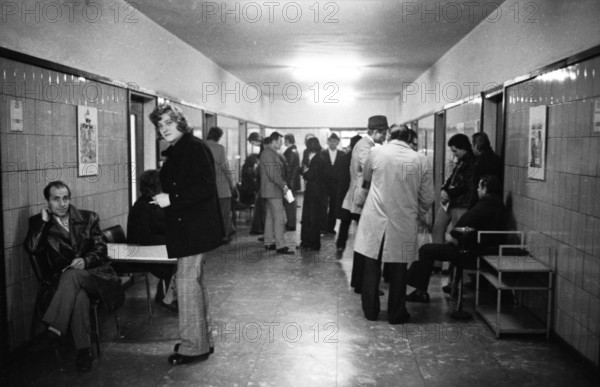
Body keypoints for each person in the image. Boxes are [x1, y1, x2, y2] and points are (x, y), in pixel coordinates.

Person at [150, 103, 225, 366]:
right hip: (190, 227)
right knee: (193, 284)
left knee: (187, 285)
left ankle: (194, 347)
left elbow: (205, 187)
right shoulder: (183, 148)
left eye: (169, 123)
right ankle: (203, 341)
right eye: (160, 125)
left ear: (181, 122)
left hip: (193, 228)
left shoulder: (193, 148)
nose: (164, 129)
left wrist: (171, 199)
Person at [24, 181, 124, 372]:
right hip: (66, 286)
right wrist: (43, 223)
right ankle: (84, 351)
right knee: (79, 297)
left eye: (66, 198)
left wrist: (86, 261)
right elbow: (31, 248)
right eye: (56, 199)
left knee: (73, 276)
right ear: (47, 201)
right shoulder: (40, 223)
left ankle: (54, 327)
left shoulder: (88, 218)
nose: (62, 204)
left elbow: (101, 248)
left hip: (96, 276)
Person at [354, 126, 434, 324]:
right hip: (404, 221)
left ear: (390, 136)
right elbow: (428, 197)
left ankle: (370, 311)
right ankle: (396, 313)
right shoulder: (420, 160)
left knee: (371, 265)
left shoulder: (376, 153)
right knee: (399, 269)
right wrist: (417, 214)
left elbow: (366, 180)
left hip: (375, 219)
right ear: (410, 139)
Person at [407, 175, 507, 303]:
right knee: (428, 250)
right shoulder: (496, 204)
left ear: (485, 188)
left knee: (426, 250)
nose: (477, 190)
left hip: (471, 251)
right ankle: (418, 288)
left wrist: (454, 236)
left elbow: (467, 220)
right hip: (481, 247)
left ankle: (419, 291)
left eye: (479, 187)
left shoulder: (486, 205)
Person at [342, 115, 389, 293]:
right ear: (374, 131)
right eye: (383, 133)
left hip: (359, 198)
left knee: (363, 242)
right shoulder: (364, 146)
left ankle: (359, 281)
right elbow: (371, 167)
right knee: (368, 243)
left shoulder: (367, 145)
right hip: (362, 200)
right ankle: (364, 283)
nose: (385, 137)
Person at [431, 133, 477, 292]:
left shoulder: (473, 162)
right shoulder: (460, 161)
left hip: (461, 204)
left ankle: (454, 278)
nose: (453, 154)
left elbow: (465, 185)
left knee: (457, 240)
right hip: (449, 203)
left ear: (464, 148)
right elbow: (451, 178)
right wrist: (444, 188)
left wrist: (449, 193)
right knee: (437, 229)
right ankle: (437, 262)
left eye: (455, 151)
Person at [127, 169, 178, 313]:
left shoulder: (153, 203)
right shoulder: (142, 207)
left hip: (152, 247)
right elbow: (144, 237)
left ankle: (168, 295)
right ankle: (168, 297)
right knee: (175, 261)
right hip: (141, 250)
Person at [259, 131, 295, 255]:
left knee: (270, 217)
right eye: (280, 141)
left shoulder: (270, 153)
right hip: (273, 190)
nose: (281, 144)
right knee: (279, 218)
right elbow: (273, 174)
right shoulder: (269, 154)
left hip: (271, 190)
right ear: (274, 141)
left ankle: (269, 242)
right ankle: (281, 245)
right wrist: (283, 185)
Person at [206, 126, 236, 241]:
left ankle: (211, 236)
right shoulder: (219, 148)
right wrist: (231, 183)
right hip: (222, 187)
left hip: (207, 187)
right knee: (225, 213)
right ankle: (224, 236)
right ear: (219, 137)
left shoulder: (201, 146)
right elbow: (225, 168)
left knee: (210, 213)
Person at [299, 136, 327, 251]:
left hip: (316, 192)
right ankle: (305, 241)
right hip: (311, 190)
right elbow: (303, 170)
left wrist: (305, 172)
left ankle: (314, 243)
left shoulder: (319, 159)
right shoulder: (311, 157)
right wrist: (305, 171)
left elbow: (310, 175)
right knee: (306, 217)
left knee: (314, 218)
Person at [335, 135, 361, 254]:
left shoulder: (341, 158)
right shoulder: (364, 158)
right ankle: (361, 249)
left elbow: (335, 178)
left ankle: (340, 246)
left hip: (345, 196)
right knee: (362, 224)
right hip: (360, 196)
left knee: (344, 223)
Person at [470, 132, 503, 208]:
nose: (471, 148)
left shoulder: (480, 162)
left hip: (482, 202)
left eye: (472, 145)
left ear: (476, 145)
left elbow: (476, 184)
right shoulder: (496, 158)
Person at [320, 133, 342, 235]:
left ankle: (330, 228)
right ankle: (323, 227)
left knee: (334, 206)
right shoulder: (322, 153)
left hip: (336, 184)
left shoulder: (342, 154)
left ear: (338, 142)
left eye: (335, 141)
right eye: (331, 141)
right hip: (324, 184)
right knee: (323, 205)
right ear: (328, 142)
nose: (333, 143)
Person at [248, 132, 266, 235]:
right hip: (264, 182)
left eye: (252, 143)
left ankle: (259, 228)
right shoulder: (263, 148)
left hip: (263, 182)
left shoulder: (263, 149)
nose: (253, 145)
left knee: (260, 205)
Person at [283, 133, 301, 231]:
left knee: (289, 204)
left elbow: (289, 169)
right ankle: (291, 223)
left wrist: (287, 183)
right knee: (291, 203)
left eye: (285, 140)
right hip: (293, 182)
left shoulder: (290, 152)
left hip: (290, 182)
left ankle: (291, 224)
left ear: (287, 140)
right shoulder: (294, 150)